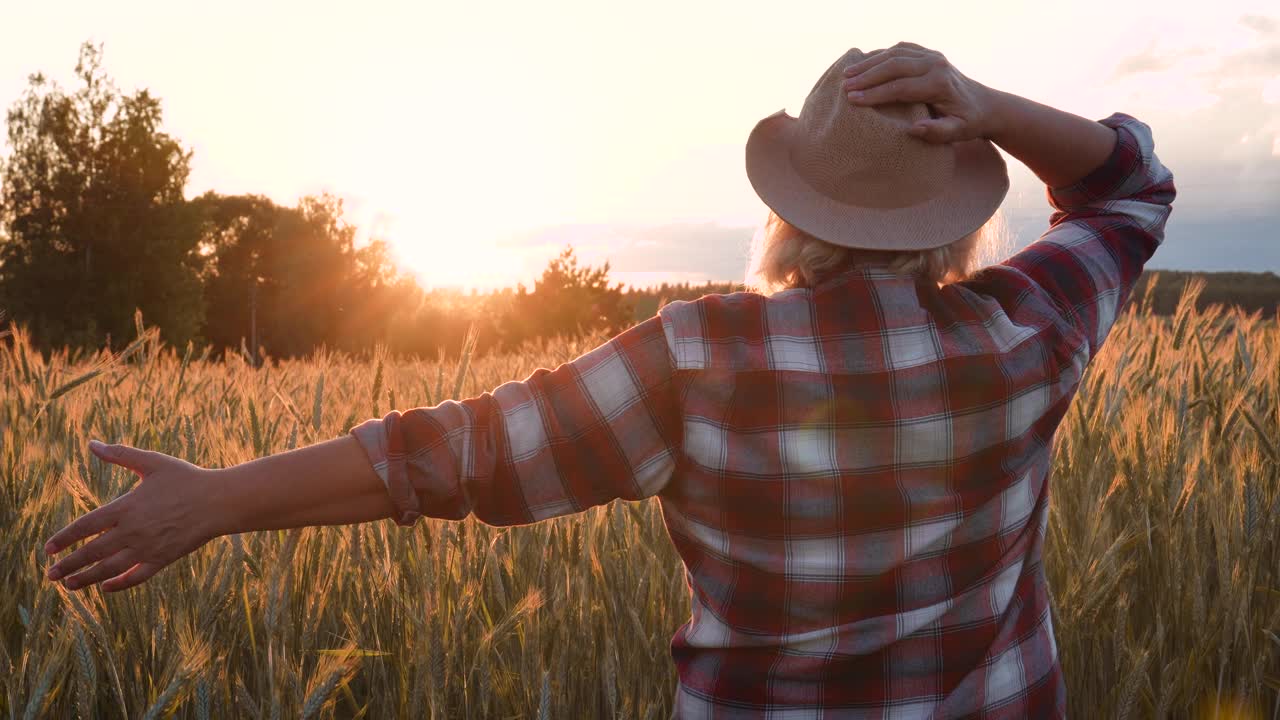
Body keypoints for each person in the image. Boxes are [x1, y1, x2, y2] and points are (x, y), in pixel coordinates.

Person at [43, 42, 1174, 717]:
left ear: (788, 211)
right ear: (954, 219)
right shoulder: (1027, 332)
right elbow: (1128, 190)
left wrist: (214, 500)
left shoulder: (698, 358)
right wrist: (990, 107)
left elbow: (454, 454)